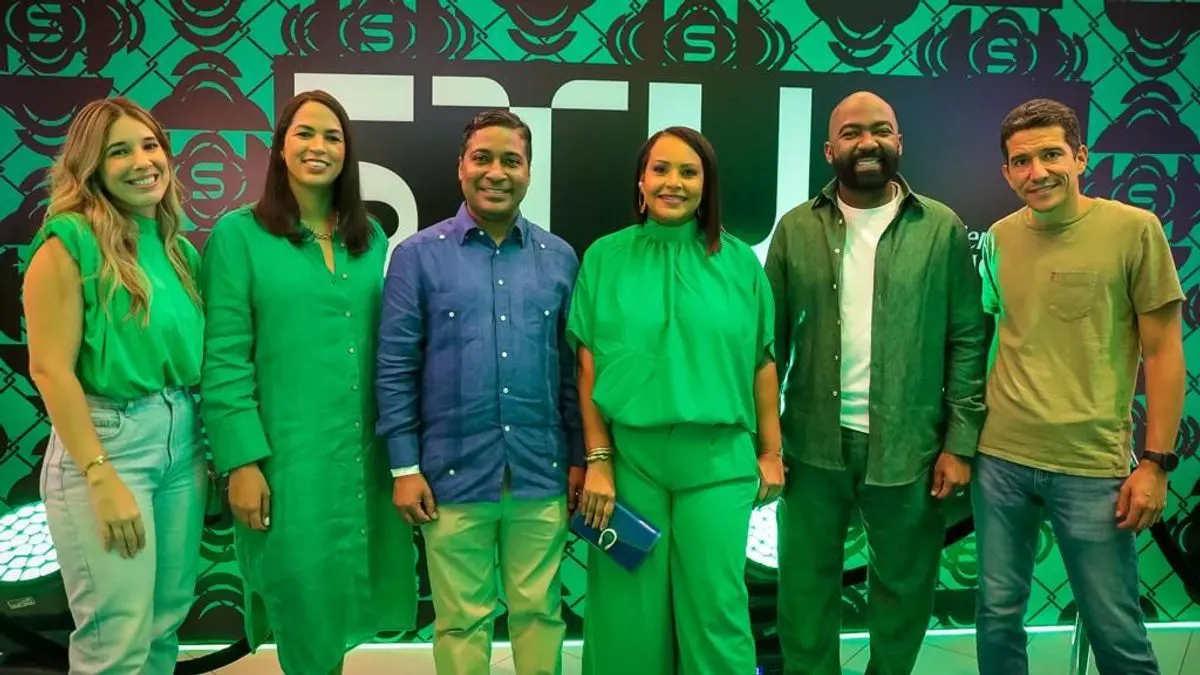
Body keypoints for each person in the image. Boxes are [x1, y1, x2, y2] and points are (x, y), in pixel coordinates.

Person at [765, 91, 987, 675]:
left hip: (911, 449)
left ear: (899, 141)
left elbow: (967, 337)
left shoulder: (941, 228)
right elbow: (767, 345)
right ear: (829, 149)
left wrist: (960, 444)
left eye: (881, 130)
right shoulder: (795, 228)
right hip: (810, 447)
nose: (868, 143)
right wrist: (767, 442)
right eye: (852, 132)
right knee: (804, 592)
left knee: (905, 591)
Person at [199, 90, 416, 675]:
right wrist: (241, 463)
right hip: (286, 463)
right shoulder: (239, 236)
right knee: (302, 605)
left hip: (362, 461)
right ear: (280, 147)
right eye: (305, 133)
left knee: (344, 605)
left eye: (332, 137)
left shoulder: (370, 240)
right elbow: (223, 360)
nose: (318, 147)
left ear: (348, 153)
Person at [974, 98, 1184, 675]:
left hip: (1091, 467)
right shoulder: (998, 237)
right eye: (1021, 161)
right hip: (1000, 460)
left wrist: (1156, 463)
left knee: (1115, 629)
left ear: (1080, 157)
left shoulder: (1134, 231)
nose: (1037, 172)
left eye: (1051, 155)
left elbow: (1164, 354)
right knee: (996, 615)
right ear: (1006, 172)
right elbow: (997, 335)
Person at [567, 125, 785, 675]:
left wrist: (771, 452)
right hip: (630, 465)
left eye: (689, 172)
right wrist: (598, 460)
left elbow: (762, 363)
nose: (674, 182)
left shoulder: (740, 263)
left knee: (716, 614)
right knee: (626, 617)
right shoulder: (604, 258)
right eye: (660, 169)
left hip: (717, 464)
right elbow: (587, 366)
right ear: (640, 181)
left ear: (706, 185)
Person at [375, 109, 584, 675]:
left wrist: (580, 458)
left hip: (540, 471)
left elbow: (572, 371)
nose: (496, 172)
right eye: (483, 158)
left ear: (529, 171)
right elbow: (395, 368)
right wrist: (403, 468)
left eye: (511, 160)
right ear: (461, 167)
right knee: (460, 621)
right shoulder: (416, 256)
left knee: (540, 613)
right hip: (450, 475)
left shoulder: (560, 259)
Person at [23, 96, 206, 674]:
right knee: (115, 638)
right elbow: (49, 369)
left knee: (163, 625)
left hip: (182, 440)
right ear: (92, 167)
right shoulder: (68, 242)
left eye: (149, 145)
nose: (142, 162)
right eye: (118, 152)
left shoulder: (178, 249)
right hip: (108, 443)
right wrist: (100, 476)